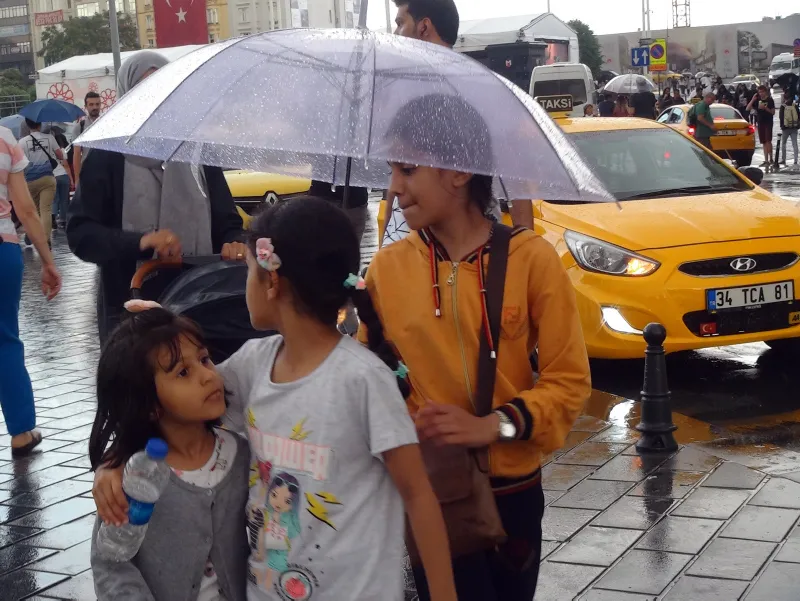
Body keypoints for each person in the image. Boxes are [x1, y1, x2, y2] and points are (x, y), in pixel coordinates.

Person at [92, 198, 459, 601]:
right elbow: (181, 397)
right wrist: (117, 461)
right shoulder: (253, 365)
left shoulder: (363, 379)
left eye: (247, 271)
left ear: (272, 281)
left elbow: (418, 495)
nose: (243, 283)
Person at [360, 94, 590, 601]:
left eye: (407, 169)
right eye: (392, 171)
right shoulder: (386, 269)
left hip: (514, 491)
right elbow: (369, 379)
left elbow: (569, 382)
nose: (395, 188)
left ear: (459, 172)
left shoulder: (532, 260)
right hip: (431, 490)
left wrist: (493, 425)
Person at [67, 51, 247, 344]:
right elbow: (81, 234)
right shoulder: (107, 155)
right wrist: (141, 242)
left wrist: (234, 240)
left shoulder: (196, 151)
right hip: (131, 310)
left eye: (163, 87)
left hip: (201, 303)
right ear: (128, 93)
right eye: (144, 87)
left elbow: (226, 218)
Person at [90, 308, 250, 600]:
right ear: (150, 404)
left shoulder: (241, 456)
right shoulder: (138, 477)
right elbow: (112, 563)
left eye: (204, 359)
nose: (207, 376)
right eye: (183, 372)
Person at [385, 0, 533, 236]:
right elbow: (394, 182)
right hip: (408, 243)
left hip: (470, 247)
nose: (395, 33)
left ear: (423, 27)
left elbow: (515, 177)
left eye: (400, 23)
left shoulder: (480, 90)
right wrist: (387, 241)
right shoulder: (404, 92)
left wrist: (525, 252)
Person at [0, 125, 61, 458]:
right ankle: (22, 431)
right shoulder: (5, 139)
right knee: (5, 341)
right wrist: (48, 262)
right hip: (2, 252)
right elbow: (26, 209)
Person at [18, 118, 64, 246]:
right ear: (40, 124)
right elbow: (61, 156)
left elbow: (19, 163)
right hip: (48, 179)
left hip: (30, 181)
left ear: (27, 125)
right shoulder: (49, 137)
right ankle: (46, 240)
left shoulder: (21, 142)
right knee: (46, 210)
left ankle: (31, 233)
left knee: (35, 211)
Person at [71, 91, 102, 180]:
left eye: (97, 104)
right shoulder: (80, 127)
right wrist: (77, 180)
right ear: (86, 107)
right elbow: (76, 154)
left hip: (106, 172)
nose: (95, 107)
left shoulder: (107, 124)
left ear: (100, 105)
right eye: (91, 104)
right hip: (88, 173)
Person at [49, 126, 73, 231]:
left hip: (52, 176)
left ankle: (53, 218)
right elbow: (66, 165)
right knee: (64, 199)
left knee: (55, 199)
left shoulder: (47, 149)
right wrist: (71, 179)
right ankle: (63, 220)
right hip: (63, 175)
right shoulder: (62, 150)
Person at [747, 85, 775, 166]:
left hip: (768, 122)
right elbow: (748, 108)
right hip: (760, 122)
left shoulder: (770, 100)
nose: (761, 94)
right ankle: (766, 160)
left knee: (768, 140)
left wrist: (765, 108)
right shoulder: (757, 100)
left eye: (762, 92)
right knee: (763, 142)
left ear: (765, 92)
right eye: (759, 92)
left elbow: (773, 112)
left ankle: (771, 158)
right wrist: (753, 99)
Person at [779, 93, 799, 165]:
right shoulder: (795, 106)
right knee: (795, 144)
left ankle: (783, 159)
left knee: (784, 144)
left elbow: (781, 117)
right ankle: (795, 160)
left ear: (784, 98)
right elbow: (798, 116)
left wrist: (782, 126)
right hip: (794, 127)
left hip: (785, 128)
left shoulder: (783, 106)